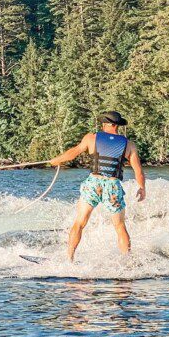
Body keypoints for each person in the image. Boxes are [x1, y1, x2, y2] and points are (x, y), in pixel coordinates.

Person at [49, 111, 146, 262]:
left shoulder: (91, 138)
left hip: (94, 183)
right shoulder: (129, 145)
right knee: (120, 226)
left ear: (108, 124)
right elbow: (138, 171)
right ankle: (127, 262)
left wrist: (55, 161)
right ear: (117, 126)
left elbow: (72, 153)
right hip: (113, 185)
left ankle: (69, 259)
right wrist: (141, 187)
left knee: (80, 222)